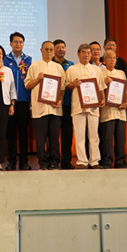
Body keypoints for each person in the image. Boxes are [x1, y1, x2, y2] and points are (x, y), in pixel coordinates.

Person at [25, 41, 66, 170]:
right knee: (41, 138)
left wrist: (60, 99)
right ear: (41, 50)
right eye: (46, 49)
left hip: (55, 109)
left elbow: (62, 87)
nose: (49, 51)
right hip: (39, 108)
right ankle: (42, 162)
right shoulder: (34, 66)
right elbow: (27, 85)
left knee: (54, 138)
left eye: (50, 49)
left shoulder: (58, 67)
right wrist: (38, 79)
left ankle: (54, 162)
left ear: (53, 51)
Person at [65, 44, 106, 169]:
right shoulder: (72, 69)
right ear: (78, 54)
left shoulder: (97, 70)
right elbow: (66, 87)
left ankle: (94, 161)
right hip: (78, 107)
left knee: (94, 135)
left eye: (88, 53)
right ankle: (82, 161)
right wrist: (73, 84)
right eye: (83, 52)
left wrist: (103, 99)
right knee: (79, 135)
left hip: (93, 107)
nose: (86, 55)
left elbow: (101, 87)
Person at [3, 32, 32, 171]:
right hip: (8, 102)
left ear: (23, 44)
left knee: (23, 133)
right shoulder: (4, 59)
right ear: (10, 44)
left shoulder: (29, 60)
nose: (18, 44)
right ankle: (12, 161)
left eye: (21, 42)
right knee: (10, 133)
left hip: (24, 101)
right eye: (15, 42)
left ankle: (24, 161)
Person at [99, 50, 127, 169]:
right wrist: (103, 83)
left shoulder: (121, 73)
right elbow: (96, 90)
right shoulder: (100, 73)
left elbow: (126, 90)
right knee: (106, 139)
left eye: (114, 58)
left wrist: (126, 102)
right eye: (109, 58)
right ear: (104, 60)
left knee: (120, 138)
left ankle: (120, 161)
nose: (112, 60)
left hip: (120, 111)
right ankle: (106, 161)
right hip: (107, 111)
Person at [53, 39, 75, 170]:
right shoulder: (49, 64)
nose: (61, 49)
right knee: (53, 134)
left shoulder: (71, 65)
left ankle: (66, 160)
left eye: (63, 47)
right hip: (52, 104)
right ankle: (54, 160)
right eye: (58, 47)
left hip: (67, 104)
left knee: (67, 134)